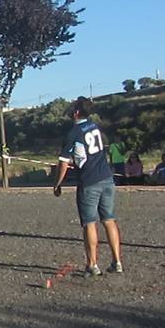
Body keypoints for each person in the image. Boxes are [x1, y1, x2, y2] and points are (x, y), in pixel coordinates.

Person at [52, 97, 123, 276]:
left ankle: (92, 264)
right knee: (109, 220)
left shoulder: (73, 133)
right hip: (106, 177)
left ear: (76, 112)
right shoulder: (95, 127)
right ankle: (117, 261)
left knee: (89, 223)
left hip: (89, 181)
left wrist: (57, 183)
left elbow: (63, 163)